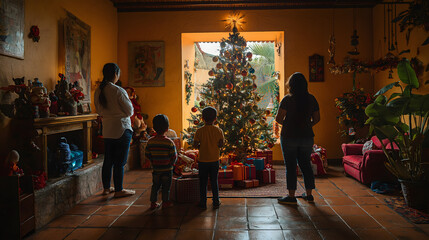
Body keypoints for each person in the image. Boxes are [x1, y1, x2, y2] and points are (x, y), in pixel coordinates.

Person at [275, 72, 320, 204]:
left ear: (291, 85)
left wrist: (290, 125)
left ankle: (291, 196)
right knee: (306, 165)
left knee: (290, 166)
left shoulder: (287, 99)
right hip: (307, 136)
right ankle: (309, 194)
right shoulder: (312, 99)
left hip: (289, 136)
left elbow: (278, 118)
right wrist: (306, 125)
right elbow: (317, 118)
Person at [94, 63, 135, 198]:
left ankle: (106, 188)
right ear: (116, 74)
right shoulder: (118, 90)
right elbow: (129, 111)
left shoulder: (99, 90)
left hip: (108, 129)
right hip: (122, 129)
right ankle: (119, 190)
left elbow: (99, 111)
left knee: (108, 160)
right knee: (120, 162)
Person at [193, 107, 224, 209]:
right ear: (215, 118)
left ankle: (203, 202)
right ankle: (216, 201)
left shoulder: (199, 131)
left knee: (203, 182)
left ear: (202, 118)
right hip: (214, 160)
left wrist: (200, 146)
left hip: (203, 160)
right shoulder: (219, 131)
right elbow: (221, 144)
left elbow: (195, 144)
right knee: (214, 181)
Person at [145, 114, 177, 209]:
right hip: (167, 169)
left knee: (155, 186)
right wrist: (171, 164)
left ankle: (153, 203)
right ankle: (165, 202)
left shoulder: (150, 141)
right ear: (167, 128)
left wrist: (153, 161)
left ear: (154, 128)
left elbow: (147, 154)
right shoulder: (169, 142)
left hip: (156, 169)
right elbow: (174, 156)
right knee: (166, 188)